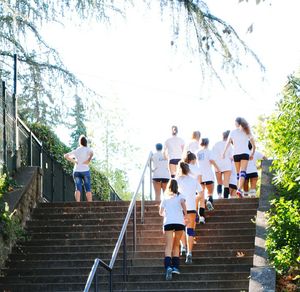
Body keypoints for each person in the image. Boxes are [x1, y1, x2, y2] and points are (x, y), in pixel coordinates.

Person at [159, 179, 188, 280]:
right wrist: (186, 217)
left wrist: (166, 214)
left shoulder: (165, 198)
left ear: (169, 187)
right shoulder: (181, 196)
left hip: (169, 222)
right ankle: (175, 267)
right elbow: (184, 206)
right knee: (176, 245)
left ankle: (168, 267)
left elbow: (160, 212)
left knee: (168, 246)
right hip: (179, 222)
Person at [223, 117, 256, 198]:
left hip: (236, 154)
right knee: (243, 172)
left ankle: (239, 189)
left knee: (238, 173)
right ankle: (239, 189)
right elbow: (254, 145)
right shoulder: (247, 131)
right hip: (245, 153)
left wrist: (224, 153)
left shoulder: (232, 132)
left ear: (237, 123)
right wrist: (252, 153)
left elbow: (228, 143)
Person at [177, 162, 202, 264]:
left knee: (181, 228)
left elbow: (171, 194)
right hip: (191, 208)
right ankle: (189, 253)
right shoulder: (193, 180)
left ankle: (183, 245)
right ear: (188, 169)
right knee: (190, 231)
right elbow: (201, 193)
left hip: (179, 208)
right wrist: (194, 199)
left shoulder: (176, 180)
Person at [64, 135, 93, 202]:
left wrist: (74, 161)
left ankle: (78, 203)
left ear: (80, 142)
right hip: (85, 171)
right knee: (88, 188)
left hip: (76, 171)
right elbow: (92, 153)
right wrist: (88, 160)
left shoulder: (77, 150)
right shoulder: (88, 149)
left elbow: (66, 156)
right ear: (86, 142)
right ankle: (90, 204)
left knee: (78, 187)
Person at [196, 138, 220, 210]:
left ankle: (201, 217)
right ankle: (209, 200)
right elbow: (211, 160)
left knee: (201, 195)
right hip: (209, 175)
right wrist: (218, 168)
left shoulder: (197, 152)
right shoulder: (209, 151)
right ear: (208, 143)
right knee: (210, 192)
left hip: (200, 176)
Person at [212, 130, 232, 199]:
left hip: (218, 165)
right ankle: (226, 198)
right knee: (226, 183)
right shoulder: (229, 145)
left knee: (219, 182)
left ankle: (219, 196)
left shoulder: (216, 144)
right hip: (227, 164)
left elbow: (212, 156)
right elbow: (231, 156)